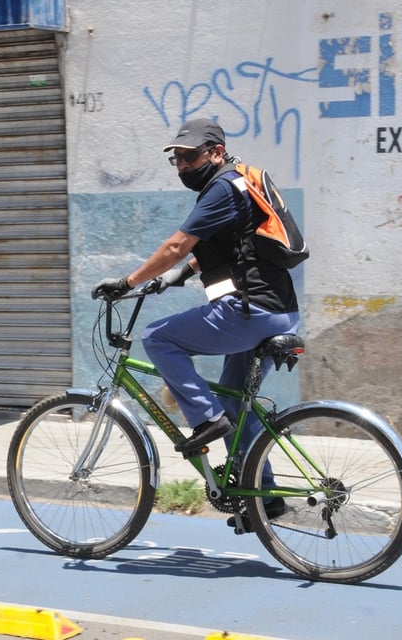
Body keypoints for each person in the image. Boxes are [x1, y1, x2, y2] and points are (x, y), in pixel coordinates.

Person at [91, 118, 300, 522]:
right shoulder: (241, 182)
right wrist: (177, 276)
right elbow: (222, 246)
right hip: (279, 311)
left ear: (216, 152)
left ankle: (205, 421)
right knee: (236, 402)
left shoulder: (221, 187)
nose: (183, 165)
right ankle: (266, 495)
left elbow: (176, 244)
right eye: (177, 159)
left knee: (159, 338)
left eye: (190, 156)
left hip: (250, 310)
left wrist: (127, 282)